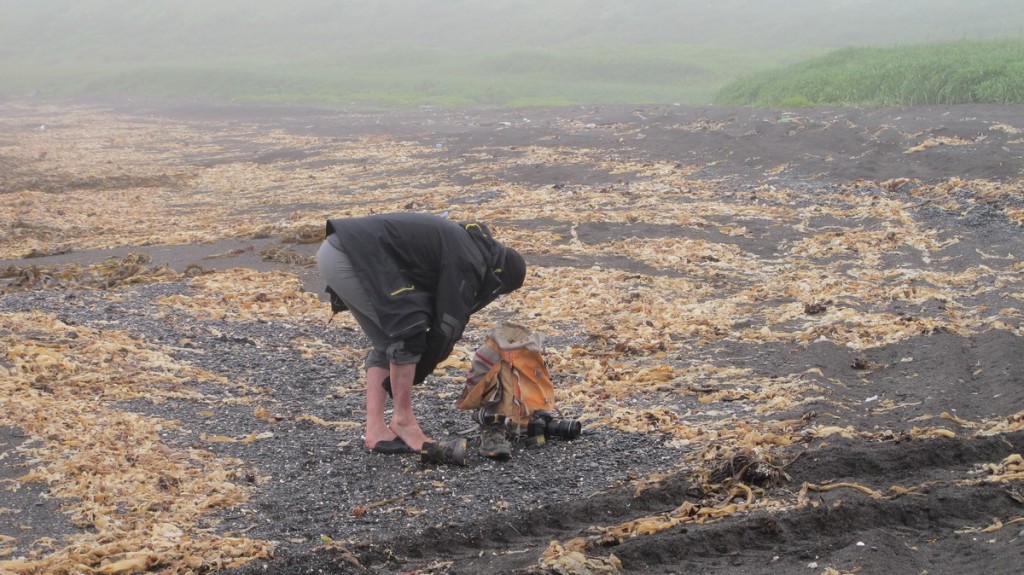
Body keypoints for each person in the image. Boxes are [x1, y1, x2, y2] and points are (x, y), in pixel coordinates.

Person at [316, 212, 527, 462]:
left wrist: (413, 366)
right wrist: (419, 371)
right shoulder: (470, 259)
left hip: (339, 250)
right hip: (349, 257)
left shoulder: (469, 245)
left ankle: (375, 430)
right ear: (500, 274)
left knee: (388, 341)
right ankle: (403, 420)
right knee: (408, 330)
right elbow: (448, 325)